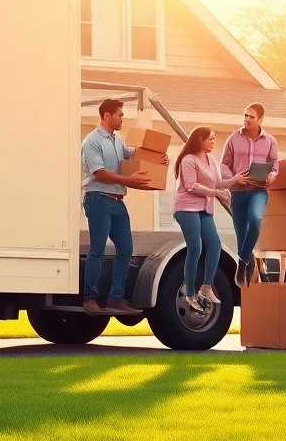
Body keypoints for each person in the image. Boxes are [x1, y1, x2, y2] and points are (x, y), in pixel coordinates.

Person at [80, 98, 169, 315]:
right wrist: (128, 180)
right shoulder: (92, 141)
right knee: (97, 250)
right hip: (98, 199)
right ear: (107, 116)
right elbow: (99, 173)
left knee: (126, 249)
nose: (123, 118)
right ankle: (90, 299)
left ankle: (115, 298)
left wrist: (159, 159)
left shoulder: (117, 141)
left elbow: (135, 156)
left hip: (118, 202)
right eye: (120, 114)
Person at [172, 126, 239, 313]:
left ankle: (206, 286)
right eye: (209, 138)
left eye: (213, 139)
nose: (212, 142)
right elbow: (191, 186)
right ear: (199, 140)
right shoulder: (188, 160)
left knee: (215, 245)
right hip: (186, 208)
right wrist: (217, 192)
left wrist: (235, 180)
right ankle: (190, 294)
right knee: (196, 248)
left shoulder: (212, 160)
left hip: (204, 209)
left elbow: (217, 183)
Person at [220, 102, 279, 286]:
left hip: (258, 190)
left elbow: (275, 164)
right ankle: (249, 268)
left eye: (251, 117)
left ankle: (242, 262)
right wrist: (234, 178)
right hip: (238, 192)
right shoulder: (233, 138)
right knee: (241, 234)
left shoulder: (270, 141)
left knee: (255, 219)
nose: (246, 119)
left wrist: (272, 175)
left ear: (260, 119)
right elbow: (223, 164)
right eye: (245, 115)